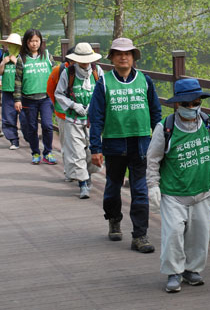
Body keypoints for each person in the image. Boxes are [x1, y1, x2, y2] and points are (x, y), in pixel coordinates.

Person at [146, 78, 210, 293]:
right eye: (186, 104)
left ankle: (192, 269)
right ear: (178, 104)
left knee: (199, 234)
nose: (191, 108)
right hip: (174, 192)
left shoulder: (208, 122)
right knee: (173, 234)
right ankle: (173, 272)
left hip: (202, 190)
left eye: (195, 103)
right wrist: (153, 186)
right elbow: (153, 159)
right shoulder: (165, 128)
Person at [89, 37, 161, 253]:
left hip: (141, 143)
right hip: (114, 143)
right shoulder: (104, 83)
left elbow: (156, 113)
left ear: (133, 57)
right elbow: (96, 116)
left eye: (127, 53)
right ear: (112, 58)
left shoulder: (145, 81)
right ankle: (113, 219)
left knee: (140, 189)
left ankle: (140, 235)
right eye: (119, 53)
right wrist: (95, 148)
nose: (123, 57)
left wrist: (160, 142)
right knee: (113, 186)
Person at [55, 43, 104, 199]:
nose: (85, 63)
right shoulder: (68, 73)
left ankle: (87, 174)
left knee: (91, 151)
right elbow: (59, 94)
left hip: (93, 119)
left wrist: (93, 105)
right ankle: (82, 183)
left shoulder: (97, 72)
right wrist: (74, 105)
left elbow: (103, 91)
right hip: (73, 119)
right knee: (76, 152)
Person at [13, 29, 56, 165]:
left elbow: (56, 75)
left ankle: (48, 152)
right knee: (31, 127)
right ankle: (35, 152)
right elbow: (18, 80)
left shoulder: (47, 56)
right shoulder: (21, 59)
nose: (34, 44)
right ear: (26, 42)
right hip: (28, 99)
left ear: (41, 41)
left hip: (46, 98)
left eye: (37, 40)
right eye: (31, 41)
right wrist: (17, 100)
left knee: (48, 126)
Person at [47, 46, 75, 181]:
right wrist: (59, 106)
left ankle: (81, 171)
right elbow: (51, 90)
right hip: (63, 114)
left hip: (84, 115)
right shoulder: (59, 70)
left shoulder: (92, 71)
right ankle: (69, 171)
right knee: (66, 143)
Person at [0, 33, 26, 150]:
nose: (11, 47)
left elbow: (27, 73)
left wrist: (15, 62)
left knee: (25, 118)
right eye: (9, 45)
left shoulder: (23, 58)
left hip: (21, 92)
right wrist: (3, 63)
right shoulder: (4, 56)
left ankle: (28, 136)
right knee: (8, 117)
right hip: (7, 91)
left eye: (14, 45)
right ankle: (13, 140)